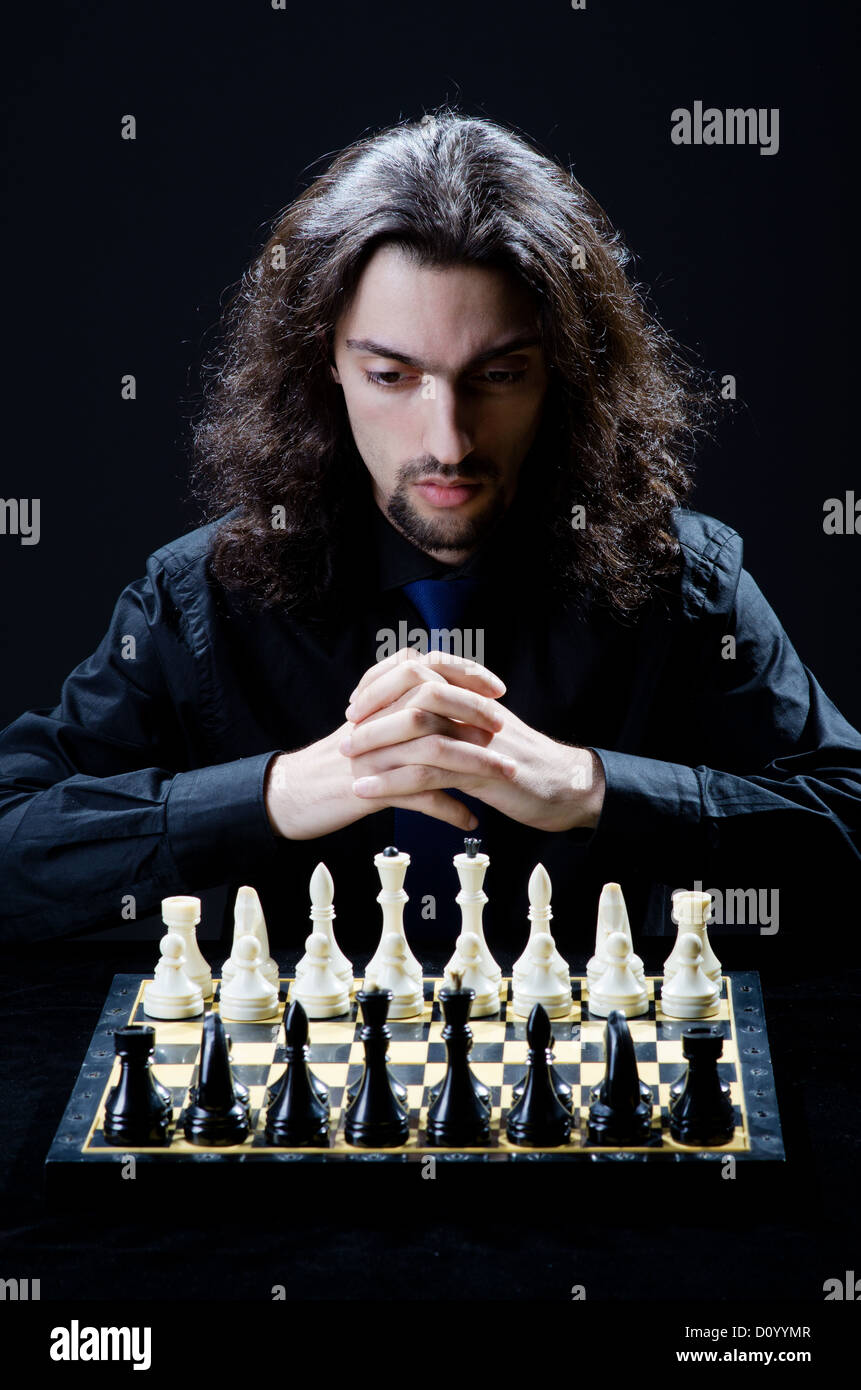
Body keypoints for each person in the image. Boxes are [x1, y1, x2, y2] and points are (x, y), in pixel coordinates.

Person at [1, 109, 859, 953]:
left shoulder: (687, 584)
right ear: (324, 363)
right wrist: (272, 794)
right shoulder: (194, 602)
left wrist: (593, 787)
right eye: (391, 374)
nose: (446, 440)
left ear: (564, 371)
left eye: (497, 374)